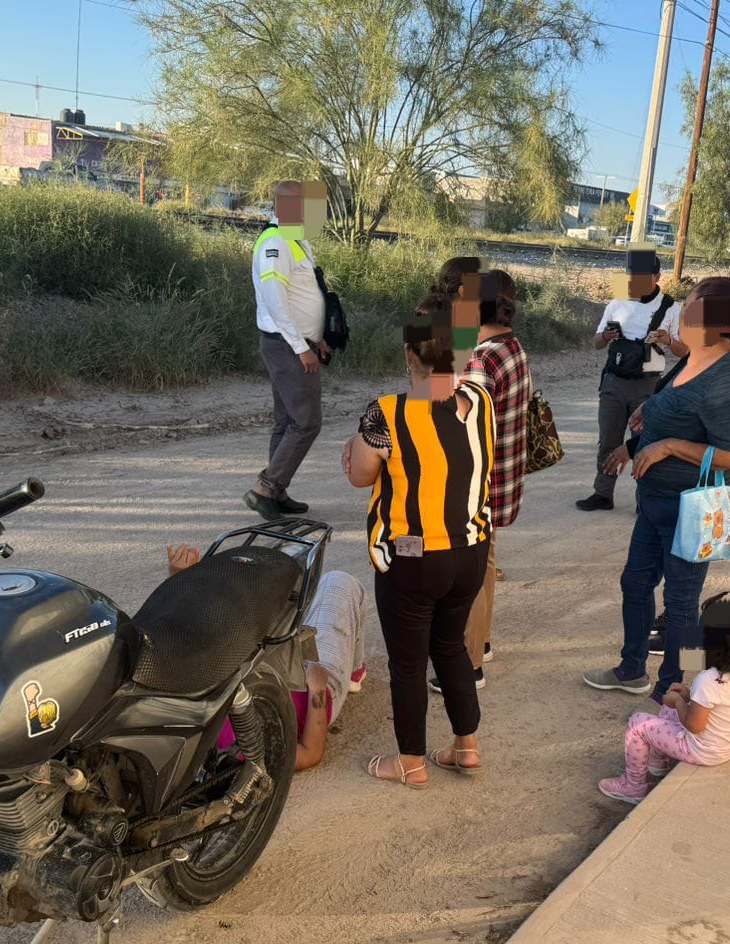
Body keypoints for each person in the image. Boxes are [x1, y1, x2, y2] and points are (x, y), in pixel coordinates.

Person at [582, 275, 730, 702]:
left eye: (690, 311)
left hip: (693, 510)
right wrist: (636, 440)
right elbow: (677, 410)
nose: (680, 317)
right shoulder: (692, 359)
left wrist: (668, 446)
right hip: (656, 502)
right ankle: (631, 669)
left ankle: (674, 692)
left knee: (682, 602)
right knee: (634, 584)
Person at [344, 289, 494, 789]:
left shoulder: (386, 412)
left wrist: (356, 446)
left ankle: (409, 761)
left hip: (411, 557)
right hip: (469, 552)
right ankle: (466, 746)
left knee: (408, 663)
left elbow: (360, 475)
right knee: (450, 647)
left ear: (410, 353)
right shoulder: (481, 401)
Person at [168, 545, 368, 771]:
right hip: (312, 685)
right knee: (340, 583)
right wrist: (318, 689)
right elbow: (310, 753)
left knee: (286, 558)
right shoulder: (237, 746)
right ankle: (353, 672)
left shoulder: (185, 702)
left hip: (266, 656)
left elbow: (181, 640)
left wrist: (179, 580)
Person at [429, 268, 530, 693]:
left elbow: (460, 425)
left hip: (475, 484)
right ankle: (481, 643)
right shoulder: (511, 347)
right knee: (483, 564)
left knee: (465, 577)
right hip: (501, 480)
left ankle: (466, 665)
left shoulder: (481, 358)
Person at [597, 591, 730, 804]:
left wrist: (678, 702)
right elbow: (719, 705)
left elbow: (695, 726)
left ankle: (633, 786)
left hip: (704, 751)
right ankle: (657, 763)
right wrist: (686, 696)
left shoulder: (708, 679)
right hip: (729, 743)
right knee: (671, 702)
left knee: (637, 723)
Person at [246, 179, 331, 522]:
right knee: (307, 422)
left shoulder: (295, 239)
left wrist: (317, 337)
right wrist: (300, 347)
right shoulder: (276, 241)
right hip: (286, 346)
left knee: (286, 421)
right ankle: (265, 488)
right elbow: (275, 299)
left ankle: (276, 493)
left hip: (296, 343)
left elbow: (301, 295)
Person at [577, 249, 686, 512]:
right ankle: (603, 493)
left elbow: (684, 351)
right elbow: (595, 343)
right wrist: (606, 336)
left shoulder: (671, 308)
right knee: (608, 440)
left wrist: (668, 340)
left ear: (657, 277)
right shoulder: (617, 303)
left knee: (644, 441)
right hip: (614, 382)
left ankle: (644, 499)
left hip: (647, 385)